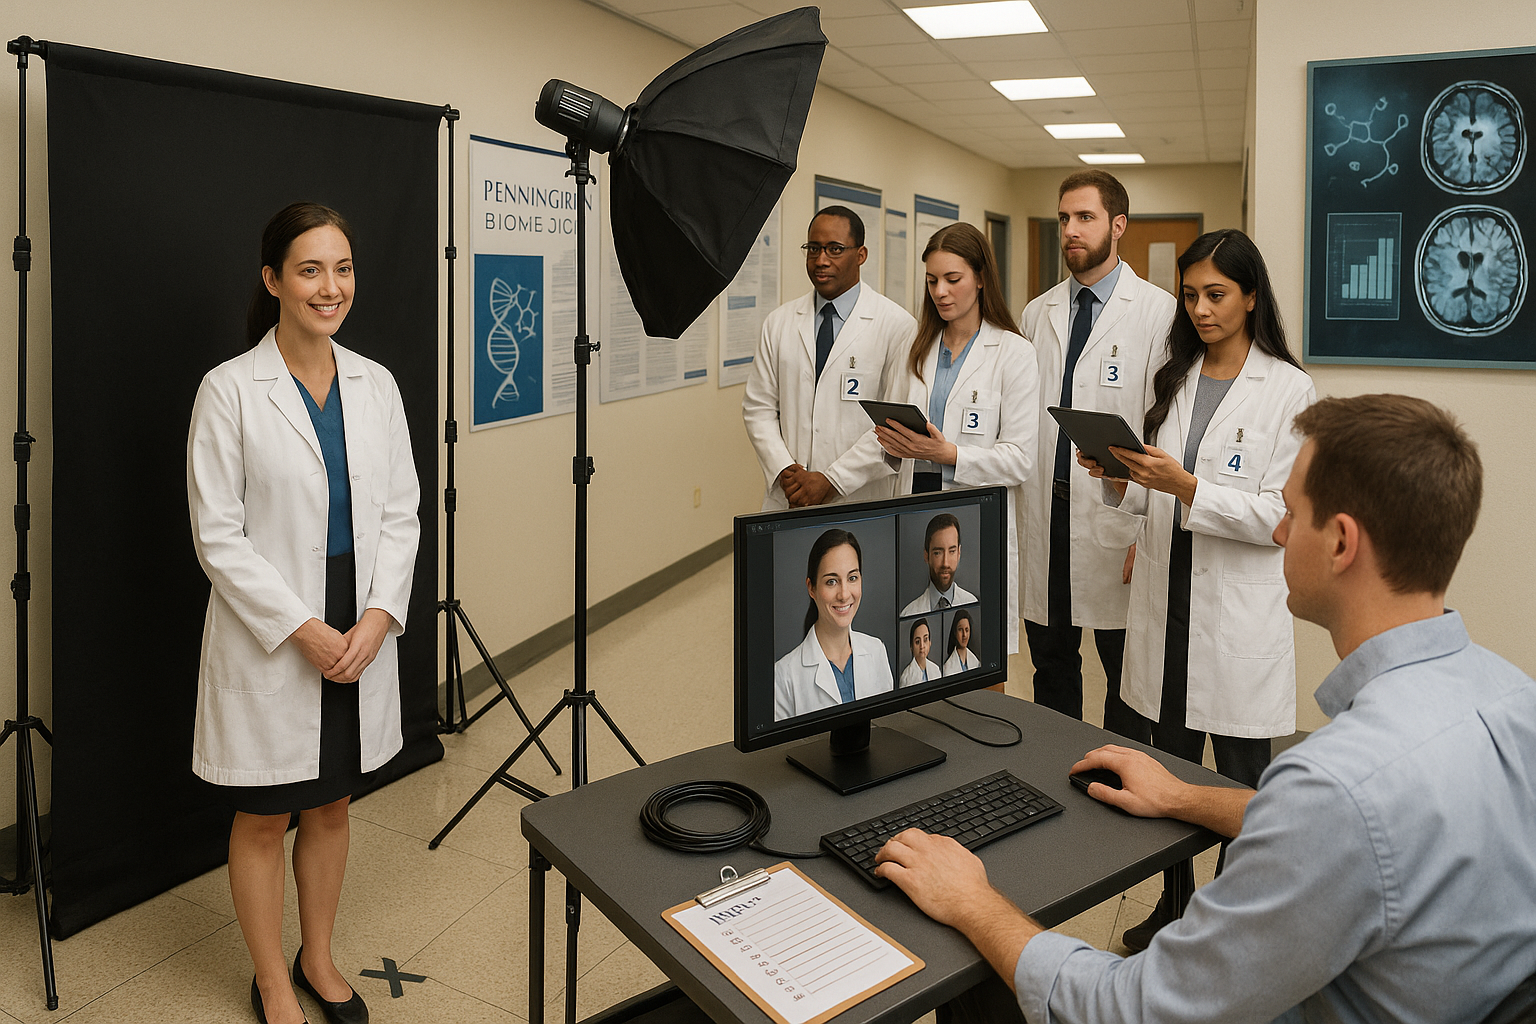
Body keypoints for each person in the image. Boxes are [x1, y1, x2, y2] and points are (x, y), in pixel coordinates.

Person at [875, 394, 1536, 1024]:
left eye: (1292, 512)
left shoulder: (1336, 790)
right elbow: (1371, 829)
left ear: (1341, 543)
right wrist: (1184, 798)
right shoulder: (1512, 699)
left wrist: (974, 902)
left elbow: (1127, 1010)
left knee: (986, 966)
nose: (1278, 528)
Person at [188, 203, 420, 1024]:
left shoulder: (375, 383)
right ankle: (271, 979)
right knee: (263, 813)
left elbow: (402, 512)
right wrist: (306, 629)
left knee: (329, 802)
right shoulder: (228, 390)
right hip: (278, 629)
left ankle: (316, 956)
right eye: (312, 269)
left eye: (344, 268)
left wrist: (379, 615)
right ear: (273, 281)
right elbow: (218, 538)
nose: (332, 286)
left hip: (359, 622)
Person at [1079, 229, 1315, 950]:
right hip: (1165, 604)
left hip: (1236, 617)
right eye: (1191, 295)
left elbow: (1281, 517)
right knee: (1169, 781)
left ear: (1250, 296)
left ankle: (1239, 924)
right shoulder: (1175, 374)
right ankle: (1173, 907)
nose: (1202, 309)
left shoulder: (1289, 388)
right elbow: (1155, 490)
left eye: (1217, 295)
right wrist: (1124, 480)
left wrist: (1189, 488)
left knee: (1243, 792)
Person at [1018, 170, 1174, 736]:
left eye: (1084, 217)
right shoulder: (1038, 314)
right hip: (1047, 515)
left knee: (1123, 675)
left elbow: (1165, 427)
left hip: (1116, 517)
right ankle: (1053, 770)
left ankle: (1114, 785)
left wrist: (1146, 524)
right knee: (1051, 665)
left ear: (1118, 225)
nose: (1070, 231)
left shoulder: (1158, 313)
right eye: (1064, 219)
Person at [876, 223, 1038, 656]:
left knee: (978, 649)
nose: (940, 292)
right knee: (919, 642)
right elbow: (896, 431)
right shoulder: (917, 345)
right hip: (916, 505)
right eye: (932, 281)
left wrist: (947, 453)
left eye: (953, 279)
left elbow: (1021, 459)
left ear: (981, 278)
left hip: (975, 514)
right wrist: (893, 442)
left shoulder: (1013, 353)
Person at [742, 206, 917, 510]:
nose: (821, 260)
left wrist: (831, 480)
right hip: (790, 495)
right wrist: (787, 471)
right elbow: (758, 408)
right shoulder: (779, 322)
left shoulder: (897, 326)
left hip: (858, 497)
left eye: (835, 249)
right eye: (814, 248)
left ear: (860, 254)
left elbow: (895, 426)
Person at [773, 529, 895, 720]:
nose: (844, 594)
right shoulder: (784, 675)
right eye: (831, 582)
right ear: (811, 588)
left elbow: (889, 727)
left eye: (852, 578)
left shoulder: (876, 650)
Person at [900, 513, 977, 614]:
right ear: (926, 555)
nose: (945, 563)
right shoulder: (909, 613)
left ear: (959, 553)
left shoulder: (972, 603)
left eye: (952, 551)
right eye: (937, 553)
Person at [899, 618, 942, 687]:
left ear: (930, 643)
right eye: (917, 642)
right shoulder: (906, 678)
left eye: (925, 639)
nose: (922, 646)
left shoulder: (935, 669)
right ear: (911, 647)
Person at [942, 608, 977, 675]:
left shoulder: (976, 661)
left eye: (967, 630)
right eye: (960, 630)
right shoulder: (947, 668)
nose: (964, 635)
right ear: (955, 632)